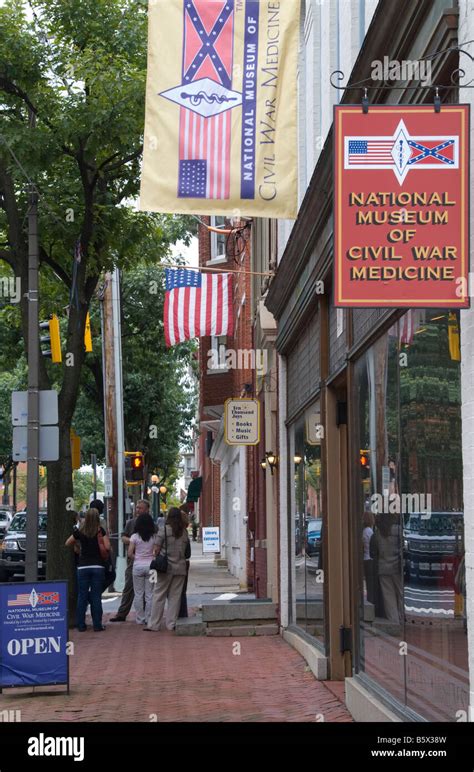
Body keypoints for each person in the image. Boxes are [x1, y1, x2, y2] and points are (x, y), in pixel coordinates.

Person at [145, 507, 190, 632]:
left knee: (159, 595)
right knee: (175, 597)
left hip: (165, 568)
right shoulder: (184, 532)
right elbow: (186, 551)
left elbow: (156, 549)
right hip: (180, 567)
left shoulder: (163, 530)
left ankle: (154, 624)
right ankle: (171, 624)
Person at [65, 508, 110, 632]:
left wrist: (77, 546)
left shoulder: (80, 531)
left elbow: (67, 542)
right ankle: (97, 625)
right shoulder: (100, 531)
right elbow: (107, 546)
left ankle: (81, 625)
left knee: (82, 596)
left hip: (83, 566)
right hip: (98, 566)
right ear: (97, 518)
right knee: (96, 596)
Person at [110, 499, 152, 622]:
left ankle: (146, 615)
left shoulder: (151, 523)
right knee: (129, 587)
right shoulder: (130, 523)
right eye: (137, 507)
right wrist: (133, 541)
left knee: (147, 592)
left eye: (140, 508)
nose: (137, 510)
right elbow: (123, 537)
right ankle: (122, 613)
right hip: (133, 561)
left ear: (147, 509)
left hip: (146, 561)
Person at [370, 512, 403, 626]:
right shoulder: (398, 530)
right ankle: (402, 618)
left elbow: (373, 552)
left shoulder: (378, 533)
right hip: (397, 567)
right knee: (401, 594)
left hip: (383, 567)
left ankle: (394, 622)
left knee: (388, 597)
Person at [128, 512, 157, 626]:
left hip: (137, 567)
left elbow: (130, 553)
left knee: (138, 594)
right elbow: (155, 552)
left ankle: (140, 618)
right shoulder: (154, 537)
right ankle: (149, 617)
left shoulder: (134, 537)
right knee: (150, 594)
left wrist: (137, 558)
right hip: (151, 567)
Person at [178, 504, 192, 618]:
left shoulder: (169, 532)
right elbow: (188, 553)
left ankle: (176, 614)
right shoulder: (185, 533)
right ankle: (183, 614)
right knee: (182, 591)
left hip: (172, 564)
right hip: (184, 564)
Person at [362, 510, 375, 604]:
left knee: (368, 582)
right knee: (371, 584)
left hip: (365, 558)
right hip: (369, 560)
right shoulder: (370, 532)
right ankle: (371, 601)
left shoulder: (364, 531)